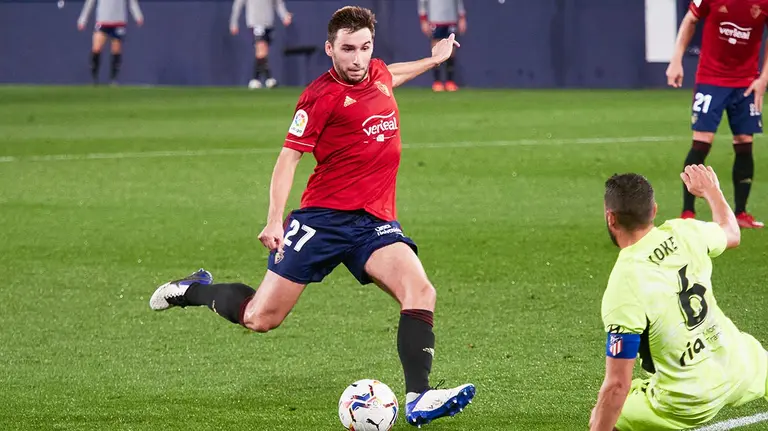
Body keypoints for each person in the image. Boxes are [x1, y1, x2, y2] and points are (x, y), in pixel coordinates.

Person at [150, 5, 475, 427]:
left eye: (364, 48)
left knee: (421, 292)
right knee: (260, 318)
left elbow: (390, 75)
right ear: (330, 49)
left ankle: (419, 397)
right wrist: (273, 218)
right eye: (347, 49)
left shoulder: (375, 72)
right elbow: (287, 161)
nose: (357, 59)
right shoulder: (319, 98)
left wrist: (433, 59)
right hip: (321, 221)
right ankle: (193, 289)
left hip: (372, 223)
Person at [590, 165, 768, 431]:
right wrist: (712, 191)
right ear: (654, 211)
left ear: (610, 218)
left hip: (688, 399)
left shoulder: (623, 284)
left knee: (607, 414)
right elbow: (732, 232)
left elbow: (617, 385)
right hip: (737, 364)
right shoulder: (684, 232)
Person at [666, 0, 768, 228]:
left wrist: (764, 78)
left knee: (744, 141)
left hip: (746, 81)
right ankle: (687, 212)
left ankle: (741, 213)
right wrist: (676, 60)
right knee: (702, 142)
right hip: (711, 80)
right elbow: (690, 20)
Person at [77, 0, 143, 85]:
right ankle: (94, 78)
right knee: (97, 48)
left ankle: (113, 79)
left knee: (116, 49)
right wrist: (83, 19)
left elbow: (132, 2)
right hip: (103, 20)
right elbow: (90, 2)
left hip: (119, 21)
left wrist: (138, 16)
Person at [230, 0, 292, 89]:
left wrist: (284, 16)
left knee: (263, 51)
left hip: (268, 23)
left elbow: (278, 3)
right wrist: (234, 22)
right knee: (261, 49)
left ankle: (255, 79)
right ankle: (269, 78)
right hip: (255, 22)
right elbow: (238, 5)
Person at [418, 0, 466, 92]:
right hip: (435, 19)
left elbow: (459, 2)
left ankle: (450, 81)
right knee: (435, 49)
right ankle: (437, 82)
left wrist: (462, 17)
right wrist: (423, 20)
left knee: (451, 49)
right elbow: (423, 3)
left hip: (451, 19)